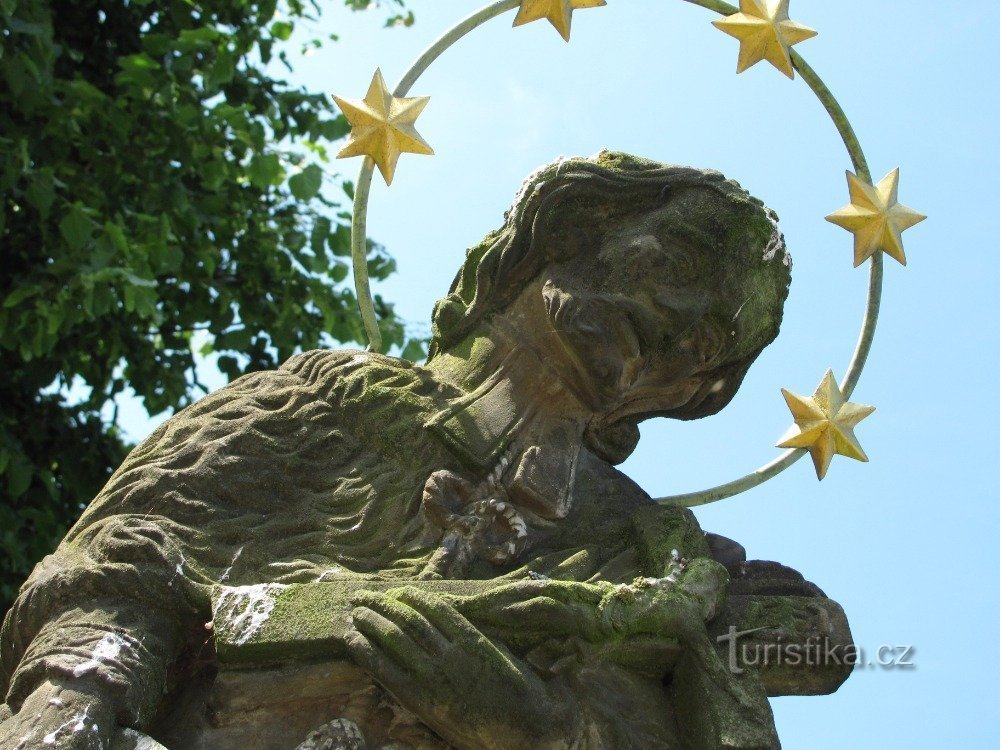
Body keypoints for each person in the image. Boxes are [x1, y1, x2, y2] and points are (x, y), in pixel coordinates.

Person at [0, 151, 791, 748]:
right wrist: (74, 708)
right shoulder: (313, 403)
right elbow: (118, 576)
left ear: (695, 388)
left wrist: (539, 719)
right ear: (572, 230)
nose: (677, 321)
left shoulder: (649, 556)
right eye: (679, 261)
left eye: (712, 337)